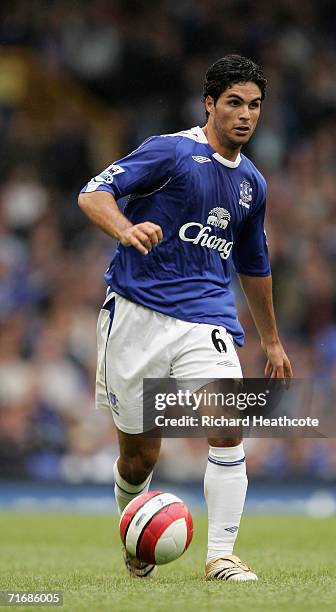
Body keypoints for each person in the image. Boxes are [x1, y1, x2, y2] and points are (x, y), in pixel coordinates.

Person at [78, 54, 292, 581]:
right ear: (210, 105)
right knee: (138, 459)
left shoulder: (252, 185)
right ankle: (136, 540)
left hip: (206, 318)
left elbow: (254, 264)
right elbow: (92, 193)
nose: (246, 115)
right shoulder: (171, 152)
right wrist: (126, 229)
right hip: (135, 315)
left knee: (226, 425)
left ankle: (221, 554)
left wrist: (272, 341)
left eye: (255, 105)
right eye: (235, 103)